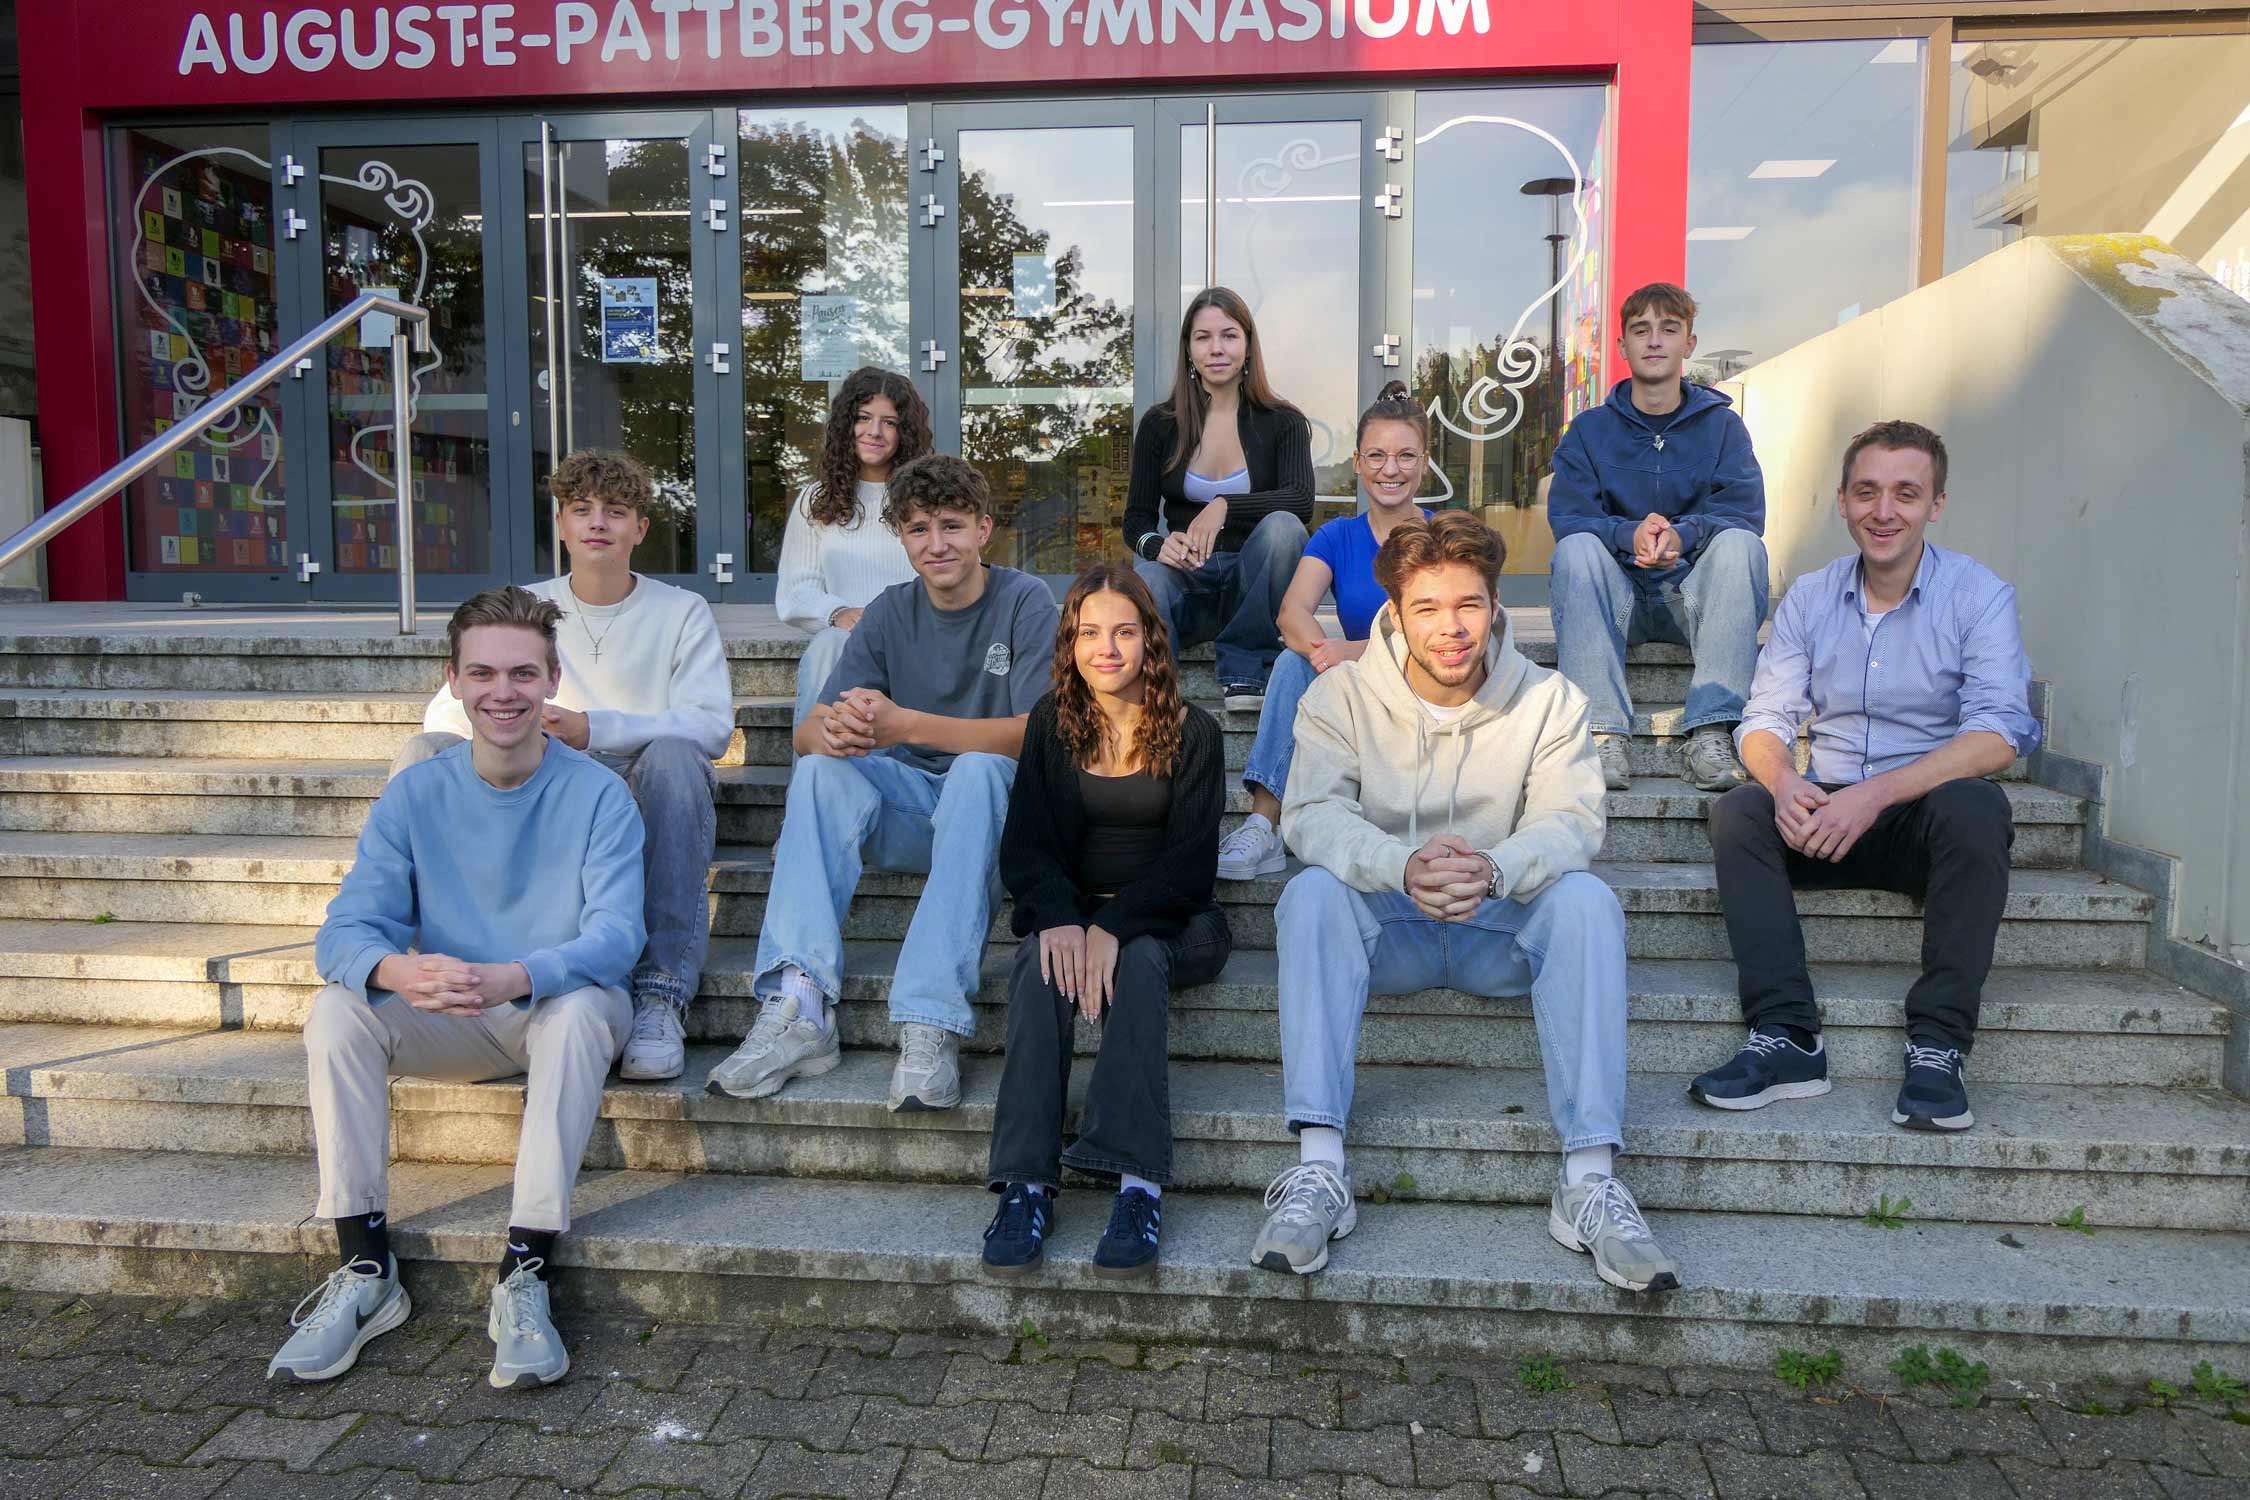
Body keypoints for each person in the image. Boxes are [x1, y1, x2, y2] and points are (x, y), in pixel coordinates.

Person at [1249, 512, 1679, 1294]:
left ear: (1494, 606)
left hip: (1497, 928)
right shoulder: (1339, 696)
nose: (1451, 629)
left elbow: (1572, 821)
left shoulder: (1550, 700)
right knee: (1311, 894)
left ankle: (1588, 1181)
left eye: (1469, 605)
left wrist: (1491, 868)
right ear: (1394, 611)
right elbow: (1310, 816)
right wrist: (1401, 864)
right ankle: (1319, 1171)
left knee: (1586, 902)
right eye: (1429, 608)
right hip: (1391, 926)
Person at [270, 587, 645, 1389]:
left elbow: (618, 938)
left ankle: (524, 1273)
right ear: (454, 680)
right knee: (337, 1011)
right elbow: (342, 932)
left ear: (550, 682)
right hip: (449, 1013)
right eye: (481, 674)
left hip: (550, 1006)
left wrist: (520, 973)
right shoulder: (417, 790)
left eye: (521, 673)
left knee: (581, 1010)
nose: (501, 692)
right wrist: (398, 971)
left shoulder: (599, 794)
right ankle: (367, 1273)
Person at [1692, 421, 2038, 1133]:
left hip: (1923, 816)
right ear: (1843, 502)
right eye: (1868, 492)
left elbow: (2001, 732)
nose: (1885, 511)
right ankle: (1788, 1036)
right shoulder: (1812, 599)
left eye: (1906, 493)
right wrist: (1786, 784)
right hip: (1826, 810)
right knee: (1739, 813)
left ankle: (1939, 1044)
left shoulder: (1978, 594)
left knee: (1978, 808)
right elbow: (1763, 719)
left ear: (1936, 503)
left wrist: (1878, 793)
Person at [711, 453, 1060, 1111]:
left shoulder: (1024, 600)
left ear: (984, 529)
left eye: (952, 526)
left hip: (998, 820)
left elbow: (1034, 734)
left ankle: (929, 1019)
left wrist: (906, 727)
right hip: (913, 812)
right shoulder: (888, 613)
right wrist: (836, 733)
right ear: (901, 536)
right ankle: (801, 1005)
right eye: (919, 529)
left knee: (982, 771)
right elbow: (806, 733)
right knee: (820, 771)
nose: (937, 544)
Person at [401, 449, 729, 1084]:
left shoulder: (681, 610)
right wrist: (510, 730)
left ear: (641, 528)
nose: (597, 523)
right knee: (423, 755)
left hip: (641, 778)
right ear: (560, 524)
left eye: (616, 511)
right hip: (543, 770)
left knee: (675, 761)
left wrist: (595, 727)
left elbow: (712, 725)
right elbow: (445, 711)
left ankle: (659, 993)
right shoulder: (525, 604)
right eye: (581, 510)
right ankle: (430, 967)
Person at [981, 563, 1230, 1279]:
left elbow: (1191, 867)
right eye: (1090, 632)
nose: (1107, 648)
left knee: (1142, 957)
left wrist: (1113, 928)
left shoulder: (1194, 732)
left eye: (1124, 631)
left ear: (1152, 641)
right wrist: (1061, 917)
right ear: (1072, 642)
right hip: (1079, 913)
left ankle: (1136, 1185)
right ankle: (1026, 1184)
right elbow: (1025, 847)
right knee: (1034, 960)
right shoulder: (1049, 724)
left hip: (1178, 920)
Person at [1546, 281, 1768, 793]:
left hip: (1693, 595)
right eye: (1640, 330)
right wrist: (1628, 533)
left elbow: (1743, 512)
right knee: (1575, 550)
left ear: (1689, 343)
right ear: (1621, 346)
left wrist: (1683, 535)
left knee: (1742, 546)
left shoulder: (1723, 427)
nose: (1654, 341)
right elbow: (1569, 516)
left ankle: (1711, 729)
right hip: (1616, 596)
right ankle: (1601, 733)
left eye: (1669, 329)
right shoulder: (1589, 430)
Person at [1218, 380, 1432, 880]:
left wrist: (1353, 651)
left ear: (1424, 463)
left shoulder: (1442, 533)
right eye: (1377, 456)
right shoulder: (1337, 536)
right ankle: (1262, 826)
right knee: (1293, 660)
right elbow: (1292, 613)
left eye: (1405, 456)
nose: (1390, 469)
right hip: (1363, 696)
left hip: (1429, 689)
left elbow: (1442, 633)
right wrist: (1323, 653)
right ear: (1358, 463)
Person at [1126, 286, 1314, 714]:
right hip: (1188, 586)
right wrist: (1158, 546)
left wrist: (1225, 504)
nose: (1216, 348)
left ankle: (1246, 671)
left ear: (1248, 346)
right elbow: (1135, 522)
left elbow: (1301, 501)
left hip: (1253, 587)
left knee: (1285, 529)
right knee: (1148, 577)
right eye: (1203, 337)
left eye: (1229, 335)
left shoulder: (1283, 422)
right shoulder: (1159, 424)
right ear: (1188, 349)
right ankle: (1157, 697)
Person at [774, 366, 929, 738]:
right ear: (847, 424)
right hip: (847, 642)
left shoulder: (925, 497)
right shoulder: (816, 500)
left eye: (889, 422)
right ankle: (811, 776)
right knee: (829, 644)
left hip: (917, 636)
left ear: (904, 432)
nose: (874, 432)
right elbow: (795, 591)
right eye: (863, 418)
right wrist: (838, 612)